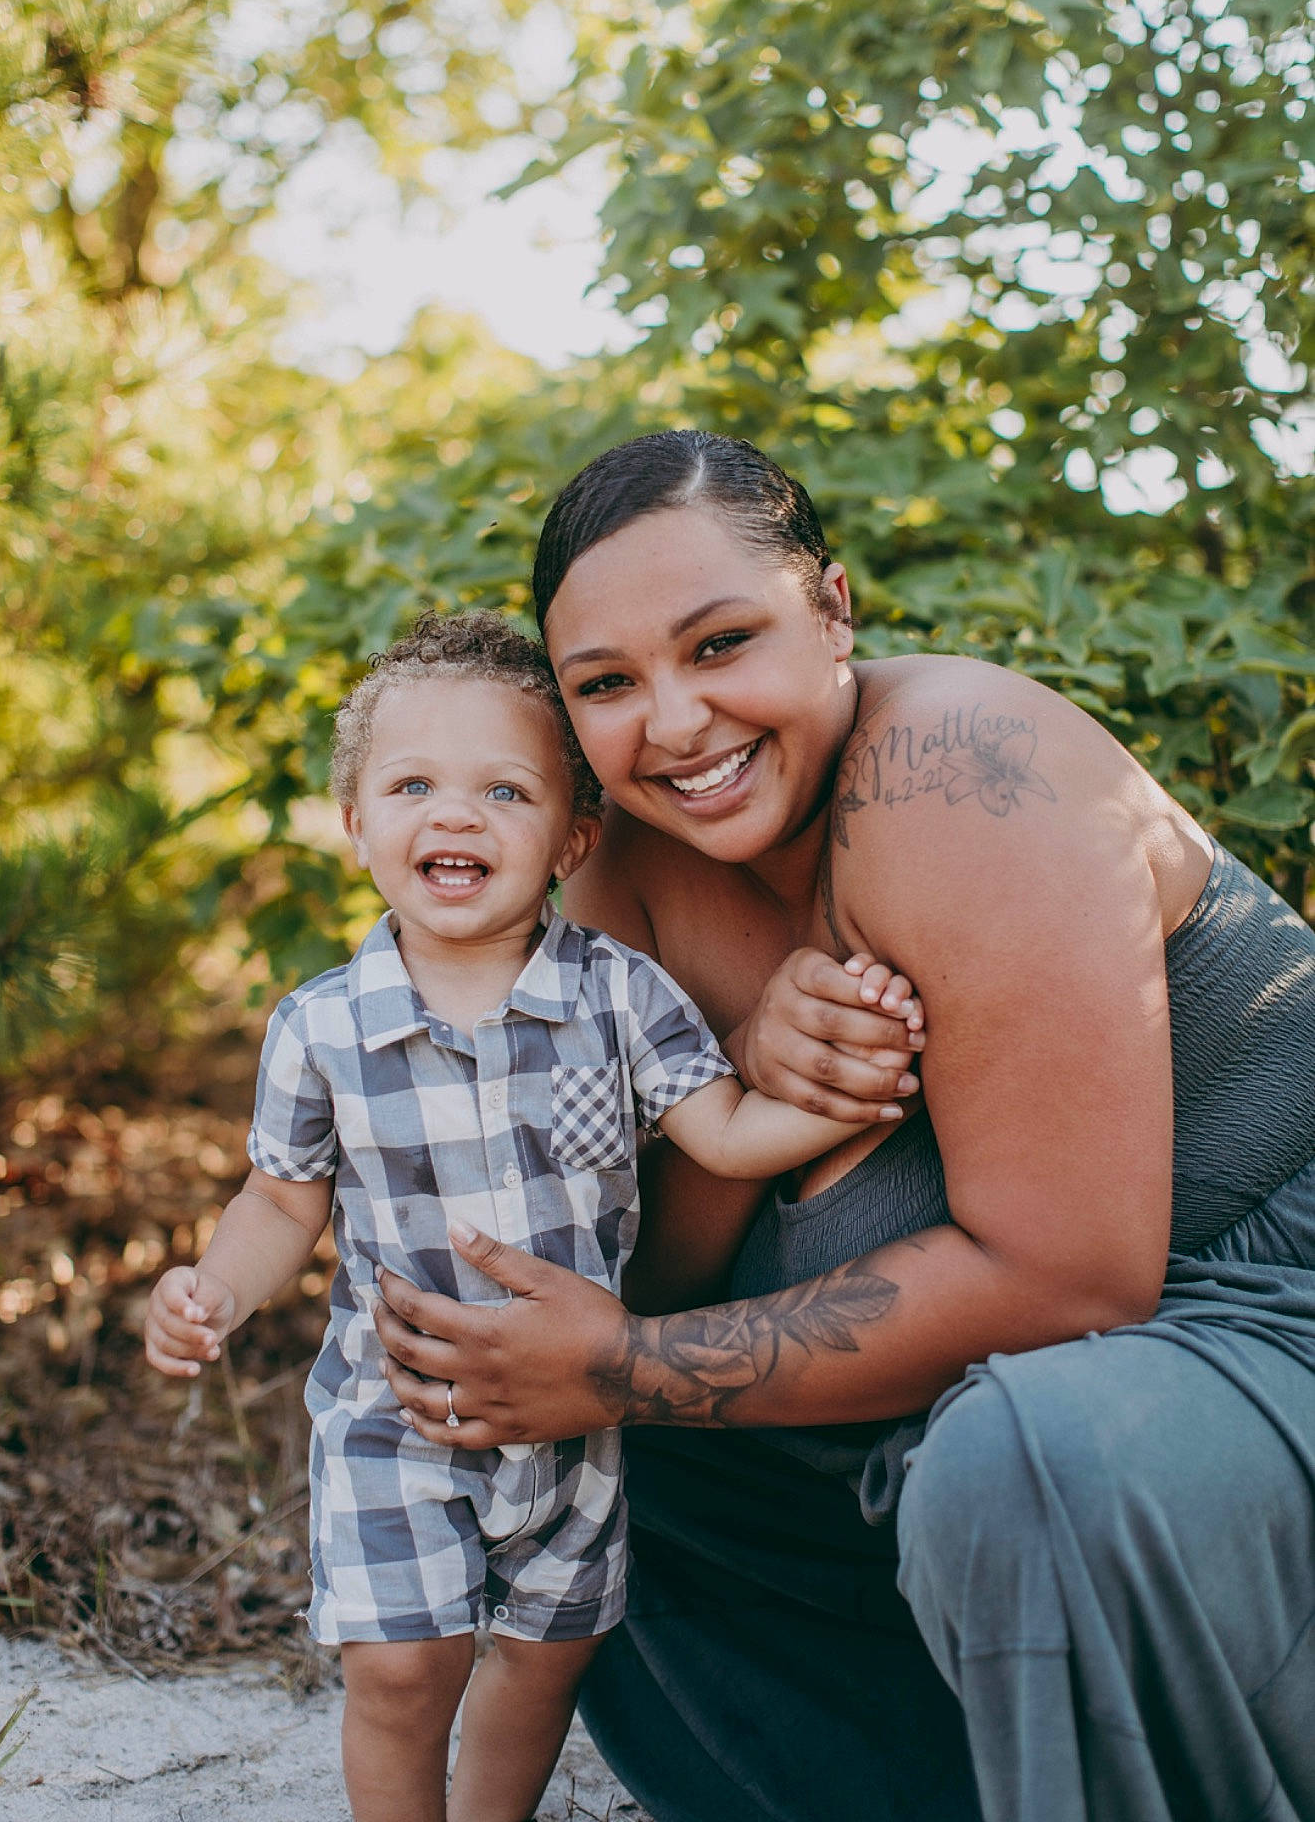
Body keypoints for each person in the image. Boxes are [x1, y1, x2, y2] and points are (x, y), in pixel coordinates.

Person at [373, 433, 1315, 1822]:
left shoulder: (950, 772)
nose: (677, 723)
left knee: (1023, 1464)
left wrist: (624, 1364)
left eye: (719, 643)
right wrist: (748, 1090)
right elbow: (628, 1280)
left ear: (833, 611)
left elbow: (1072, 1283)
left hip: (1257, 1325)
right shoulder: (625, 880)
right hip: (981, 1412)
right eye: (608, 687)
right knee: (548, 1455)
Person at [142, 607, 920, 1822]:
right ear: (357, 824)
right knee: (404, 1666)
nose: (455, 816)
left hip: (573, 1416)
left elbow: (722, 1129)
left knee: (543, 1656)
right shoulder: (322, 1028)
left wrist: (843, 1092)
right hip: (393, 1411)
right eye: (412, 785)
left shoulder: (615, 994)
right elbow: (281, 1199)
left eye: (505, 791)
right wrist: (215, 1289)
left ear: (572, 835)